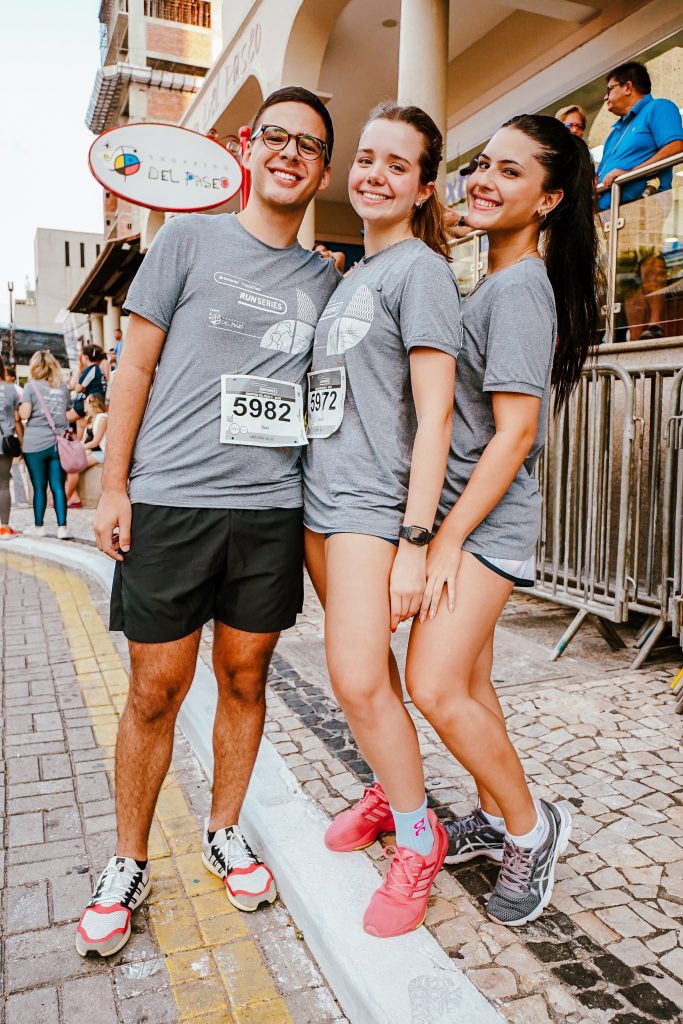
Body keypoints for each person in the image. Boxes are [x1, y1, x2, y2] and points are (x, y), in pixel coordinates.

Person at [77, 86, 339, 958]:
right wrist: (113, 486)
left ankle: (225, 830)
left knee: (244, 679)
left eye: (308, 145)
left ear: (322, 169)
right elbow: (136, 366)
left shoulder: (323, 279)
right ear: (247, 146)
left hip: (268, 511)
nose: (290, 153)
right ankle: (127, 859)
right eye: (277, 137)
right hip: (172, 501)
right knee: (154, 690)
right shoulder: (187, 240)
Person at [399, 114, 599, 926]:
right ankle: (492, 810)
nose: (484, 179)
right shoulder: (500, 277)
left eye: (510, 173)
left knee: (432, 683)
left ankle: (529, 825)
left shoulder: (520, 288)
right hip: (469, 519)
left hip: (480, 526)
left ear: (547, 199)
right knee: (471, 683)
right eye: (483, 163)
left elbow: (516, 433)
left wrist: (442, 540)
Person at [303, 103, 462, 938]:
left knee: (358, 678)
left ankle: (417, 836)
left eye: (396, 165)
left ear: (423, 186)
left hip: (373, 505)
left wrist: (414, 538)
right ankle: (386, 782)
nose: (373, 174)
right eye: (365, 158)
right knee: (373, 681)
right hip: (320, 502)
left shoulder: (421, 271)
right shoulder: (350, 276)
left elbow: (433, 415)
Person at [596, 61, 683, 210]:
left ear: (628, 87)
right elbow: (601, 174)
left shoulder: (658, 107)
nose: (605, 97)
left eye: (609, 89)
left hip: (642, 208)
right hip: (606, 217)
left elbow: (676, 147)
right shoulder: (615, 133)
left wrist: (630, 173)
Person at [19, 350, 71, 540]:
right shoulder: (62, 388)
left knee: (39, 486)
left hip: (35, 445)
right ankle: (62, 527)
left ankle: (39, 526)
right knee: (58, 486)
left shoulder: (31, 387)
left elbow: (24, 414)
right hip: (58, 443)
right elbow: (67, 412)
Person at [66, 394, 108, 507]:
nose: (84, 404)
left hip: (101, 453)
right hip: (91, 452)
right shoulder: (90, 419)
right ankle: (73, 497)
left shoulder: (103, 418)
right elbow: (84, 441)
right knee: (67, 463)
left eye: (86, 402)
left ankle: (67, 497)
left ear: (94, 403)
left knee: (74, 466)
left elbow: (95, 442)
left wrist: (80, 448)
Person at [0, 355, 24, 538]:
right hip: (4, 443)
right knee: (3, 486)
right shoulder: (10, 389)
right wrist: (22, 443)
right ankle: (4, 527)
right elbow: (16, 419)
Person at [68, 346, 107, 432]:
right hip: (98, 401)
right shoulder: (98, 369)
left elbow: (77, 388)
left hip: (90, 402)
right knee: (80, 425)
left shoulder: (91, 369)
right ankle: (78, 444)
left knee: (64, 420)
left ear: (85, 357)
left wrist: (79, 369)